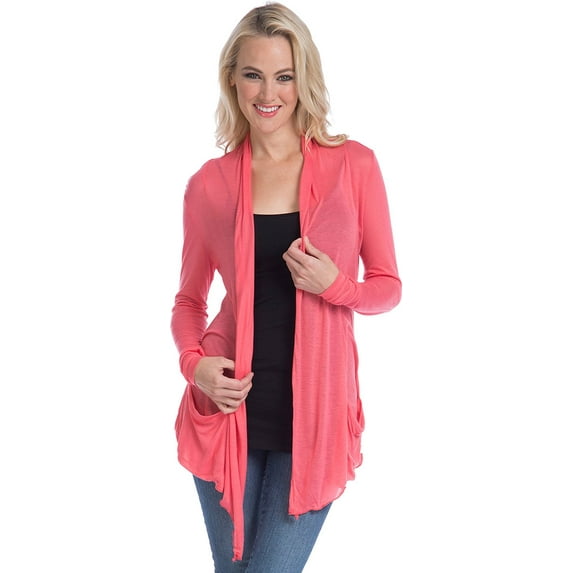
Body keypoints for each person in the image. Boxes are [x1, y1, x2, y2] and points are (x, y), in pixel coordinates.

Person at [171, 3, 401, 571]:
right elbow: (190, 302)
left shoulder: (354, 166)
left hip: (315, 417)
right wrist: (195, 366)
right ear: (232, 78)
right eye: (254, 74)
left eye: (284, 76)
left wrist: (338, 286)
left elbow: (388, 285)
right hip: (230, 408)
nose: (268, 93)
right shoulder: (209, 185)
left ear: (304, 79)